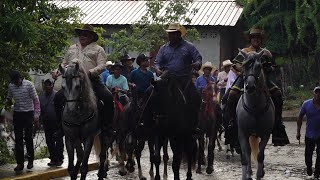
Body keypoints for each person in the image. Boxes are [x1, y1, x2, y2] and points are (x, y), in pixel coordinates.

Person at [225, 27, 290, 146]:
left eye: (258, 38)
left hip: (263, 78)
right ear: (250, 39)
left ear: (261, 40)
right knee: (232, 94)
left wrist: (269, 68)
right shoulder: (244, 51)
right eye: (254, 37)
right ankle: (232, 122)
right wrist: (243, 69)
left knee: (278, 94)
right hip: (246, 77)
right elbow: (235, 66)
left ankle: (277, 123)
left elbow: (274, 66)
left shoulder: (266, 52)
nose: (256, 40)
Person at [52, 24, 114, 136]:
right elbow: (64, 63)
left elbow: (102, 65)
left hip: (92, 80)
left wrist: (90, 72)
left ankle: (107, 127)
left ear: (91, 36)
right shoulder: (72, 48)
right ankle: (60, 127)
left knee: (108, 97)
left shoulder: (98, 49)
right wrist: (57, 71)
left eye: (85, 34)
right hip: (73, 80)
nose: (82, 36)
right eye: (80, 34)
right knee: (57, 98)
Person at [154, 22, 202, 134]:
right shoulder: (163, 48)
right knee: (151, 92)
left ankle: (195, 124)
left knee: (196, 97)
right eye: (169, 34)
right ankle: (152, 119)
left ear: (179, 34)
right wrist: (157, 69)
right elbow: (157, 62)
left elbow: (198, 58)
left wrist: (196, 64)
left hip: (184, 78)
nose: (171, 36)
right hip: (166, 77)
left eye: (173, 33)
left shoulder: (189, 47)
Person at [5, 70, 40, 171]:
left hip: (28, 113)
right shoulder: (11, 86)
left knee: (28, 138)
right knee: (18, 140)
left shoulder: (29, 85)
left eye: (16, 80)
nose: (15, 83)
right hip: (17, 114)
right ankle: (20, 163)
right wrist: (7, 103)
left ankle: (30, 161)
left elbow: (36, 101)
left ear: (20, 78)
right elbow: (9, 98)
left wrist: (36, 115)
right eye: (13, 81)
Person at [39, 79, 64, 167]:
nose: (47, 87)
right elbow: (39, 109)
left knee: (58, 140)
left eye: (49, 85)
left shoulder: (57, 95)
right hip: (46, 122)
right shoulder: (41, 97)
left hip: (57, 122)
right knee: (49, 141)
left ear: (52, 85)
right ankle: (53, 158)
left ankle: (60, 158)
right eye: (46, 85)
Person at [297, 86, 320, 179]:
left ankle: (317, 172)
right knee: (308, 153)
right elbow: (300, 117)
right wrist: (298, 132)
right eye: (317, 92)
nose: (318, 94)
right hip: (309, 134)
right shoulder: (306, 104)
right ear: (313, 93)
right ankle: (309, 167)